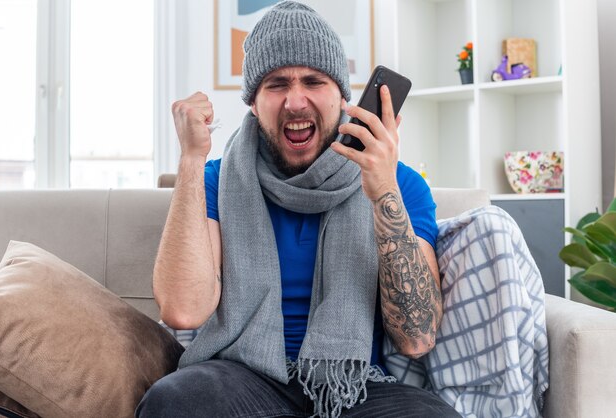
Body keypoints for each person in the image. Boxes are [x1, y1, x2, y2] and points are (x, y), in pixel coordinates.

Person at [137, 2, 548, 417]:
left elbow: (418, 337)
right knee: (174, 401)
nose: (296, 102)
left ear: (342, 97)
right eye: (277, 84)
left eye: (313, 81)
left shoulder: (400, 183)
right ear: (254, 103)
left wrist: (383, 191)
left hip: (354, 384)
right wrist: (190, 158)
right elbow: (183, 310)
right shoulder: (216, 179)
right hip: (242, 376)